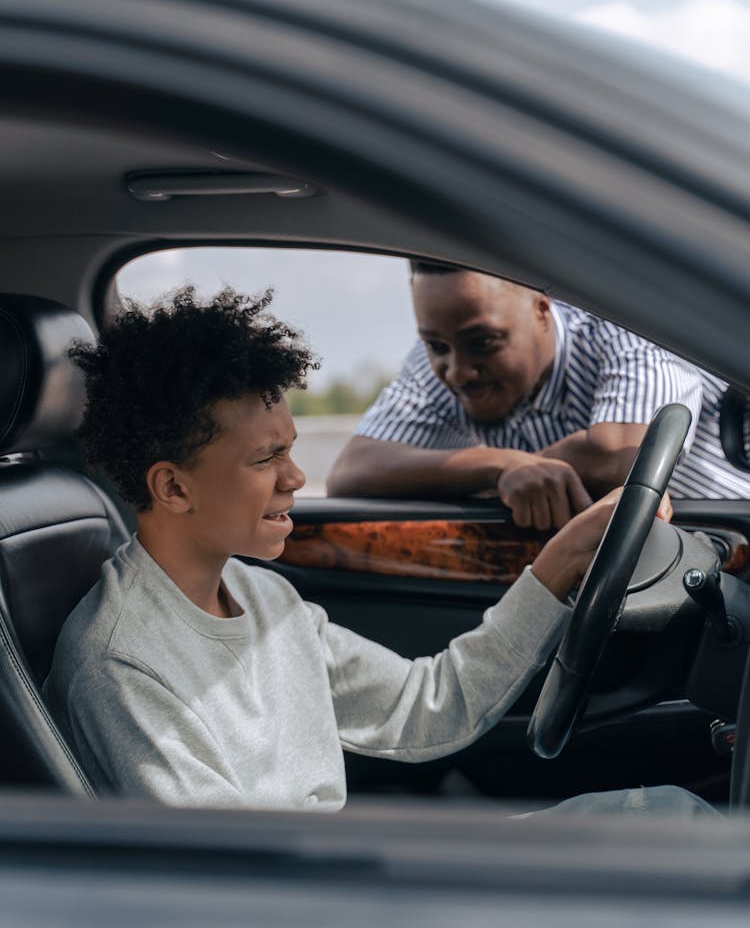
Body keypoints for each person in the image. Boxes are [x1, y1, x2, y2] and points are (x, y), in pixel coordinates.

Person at [43, 285, 666, 813]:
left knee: (664, 817)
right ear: (173, 486)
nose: (293, 478)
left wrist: (558, 563)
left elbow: (428, 708)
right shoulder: (120, 665)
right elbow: (226, 881)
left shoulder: (264, 597)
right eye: (267, 458)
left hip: (332, 879)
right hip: (310, 900)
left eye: (289, 448)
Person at [327, 264, 750, 528]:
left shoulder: (626, 326)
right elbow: (350, 473)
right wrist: (498, 466)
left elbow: (624, 458)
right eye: (436, 345)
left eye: (484, 342)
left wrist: (524, 470)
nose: (457, 370)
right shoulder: (438, 361)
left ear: (543, 310)